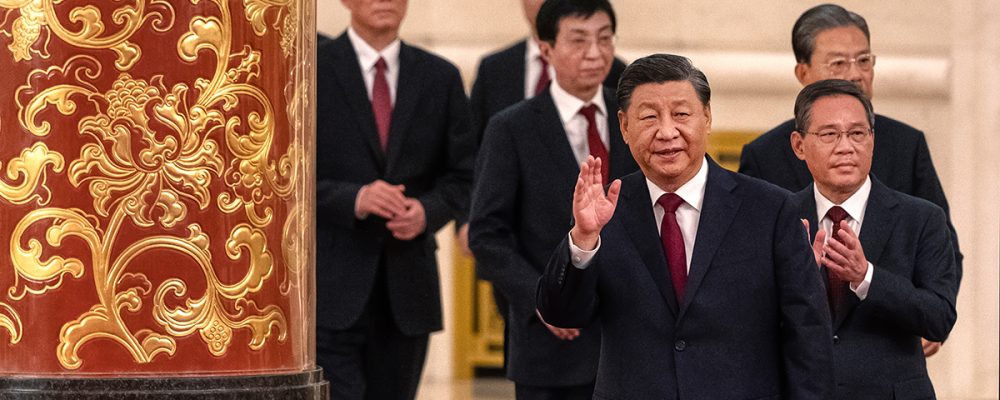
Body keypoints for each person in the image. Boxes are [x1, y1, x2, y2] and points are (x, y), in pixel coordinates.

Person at [537, 54, 832, 399]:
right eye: (648, 117)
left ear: (706, 117)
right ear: (624, 126)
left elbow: (808, 335)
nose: (666, 131)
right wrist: (584, 239)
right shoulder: (603, 209)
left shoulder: (770, 209)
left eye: (681, 114)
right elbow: (563, 314)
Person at [738, 5, 960, 357]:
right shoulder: (764, 154)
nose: (854, 75)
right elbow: (745, 269)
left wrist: (918, 309)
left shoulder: (906, 143)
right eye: (839, 63)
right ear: (803, 71)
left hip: (887, 354)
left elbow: (942, 250)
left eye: (863, 61)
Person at [469, 1, 637, 398]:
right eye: (579, 41)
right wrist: (544, 299)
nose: (595, 54)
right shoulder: (512, 127)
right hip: (551, 346)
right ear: (546, 50)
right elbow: (487, 235)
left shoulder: (636, 116)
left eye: (604, 39)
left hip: (631, 339)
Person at [314, 0, 474, 398]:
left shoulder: (441, 77)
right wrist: (355, 198)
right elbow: (287, 175)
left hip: (408, 288)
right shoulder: (311, 68)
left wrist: (427, 211)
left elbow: (466, 175)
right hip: (332, 287)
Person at [789, 79, 958, 399]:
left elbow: (939, 318)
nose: (845, 147)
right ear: (799, 145)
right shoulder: (778, 218)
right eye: (829, 134)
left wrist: (866, 277)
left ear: (872, 140)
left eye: (857, 133)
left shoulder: (922, 219)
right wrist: (796, 281)